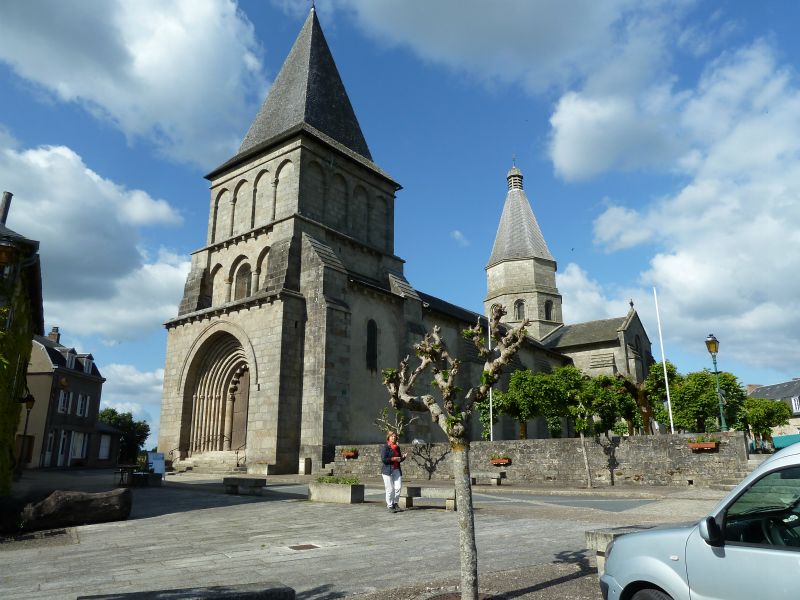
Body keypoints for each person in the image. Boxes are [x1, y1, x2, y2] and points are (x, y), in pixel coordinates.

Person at [381, 431, 408, 512]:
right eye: (392, 436)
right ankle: (390, 505)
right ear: (388, 437)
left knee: (398, 487)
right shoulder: (385, 447)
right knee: (390, 489)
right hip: (387, 471)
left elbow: (399, 459)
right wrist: (393, 459)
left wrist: (403, 457)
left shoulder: (397, 447)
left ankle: (395, 503)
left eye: (395, 436)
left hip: (396, 469)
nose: (393, 437)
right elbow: (384, 459)